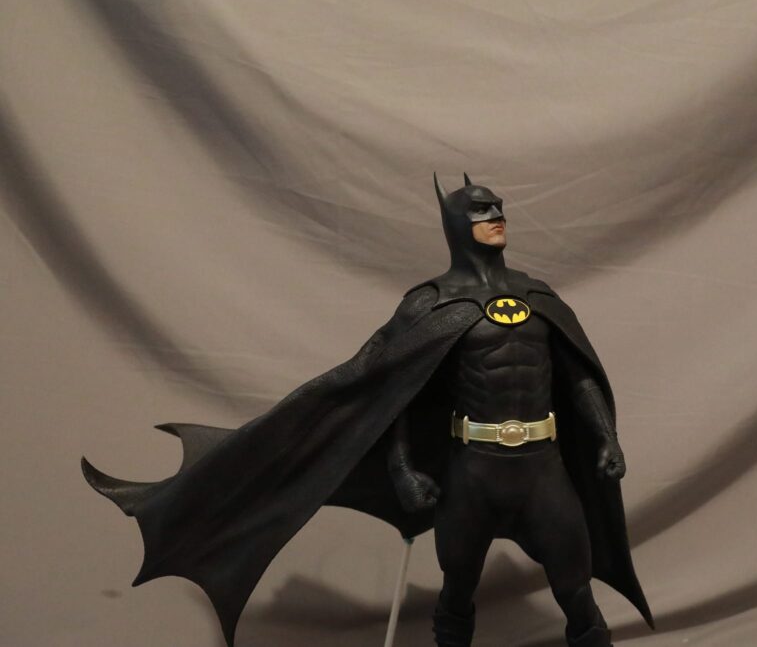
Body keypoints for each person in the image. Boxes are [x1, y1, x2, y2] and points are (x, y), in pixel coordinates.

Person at [83, 174, 652, 647]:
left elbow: (578, 376)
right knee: (458, 593)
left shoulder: (538, 296)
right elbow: (391, 389)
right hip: (471, 473)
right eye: (481, 209)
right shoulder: (430, 303)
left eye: (499, 206)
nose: (496, 214)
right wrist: (402, 469)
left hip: (544, 467)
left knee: (576, 592)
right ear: (455, 225)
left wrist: (607, 436)